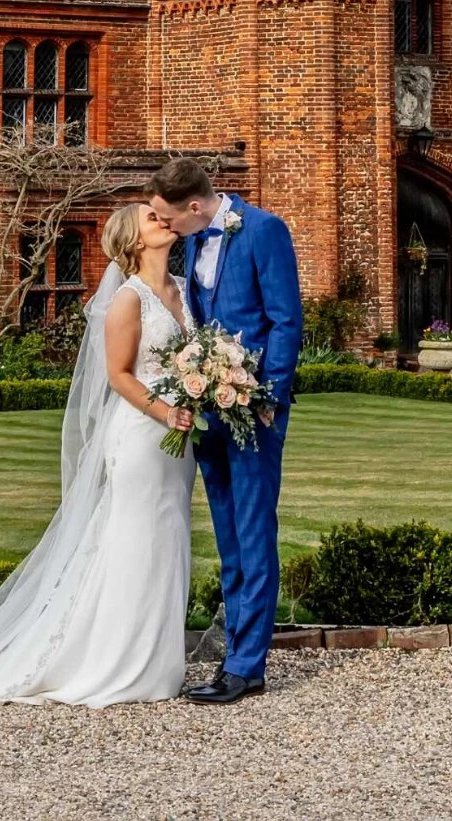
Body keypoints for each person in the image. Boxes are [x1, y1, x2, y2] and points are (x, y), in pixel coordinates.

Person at [0, 203, 197, 710]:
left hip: (179, 443)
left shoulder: (185, 290)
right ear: (133, 241)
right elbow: (119, 375)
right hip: (143, 434)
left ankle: (159, 659)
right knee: (134, 537)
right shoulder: (127, 299)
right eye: (150, 218)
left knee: (170, 535)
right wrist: (165, 412)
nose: (162, 219)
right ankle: (116, 661)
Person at [149, 157, 301, 705]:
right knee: (228, 535)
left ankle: (246, 668)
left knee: (255, 530)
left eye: (170, 218)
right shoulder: (189, 241)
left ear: (196, 206)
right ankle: (234, 654)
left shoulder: (264, 231)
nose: (166, 228)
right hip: (208, 403)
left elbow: (286, 320)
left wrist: (269, 396)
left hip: (254, 407)